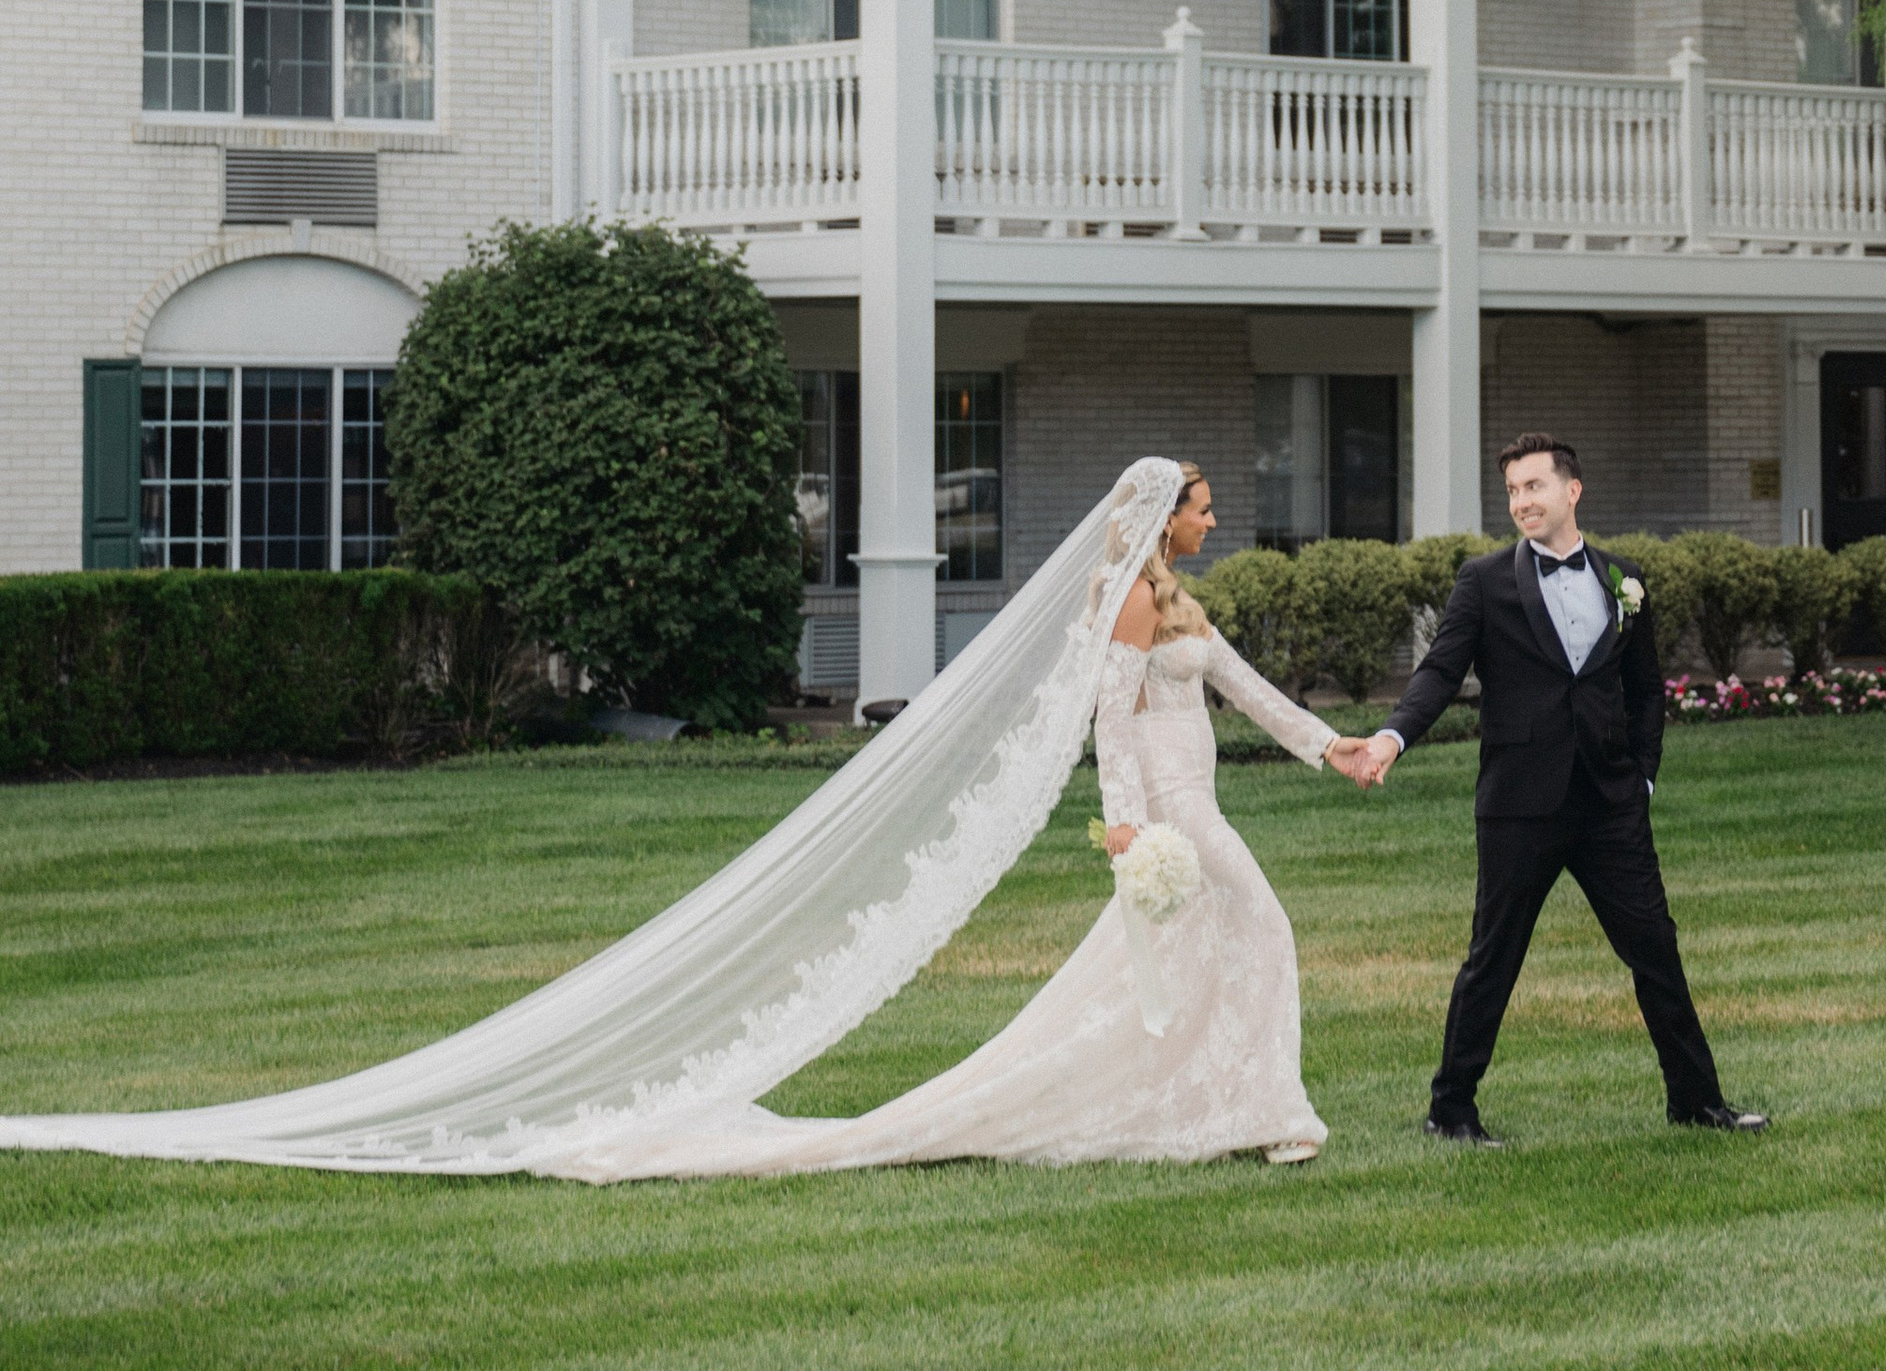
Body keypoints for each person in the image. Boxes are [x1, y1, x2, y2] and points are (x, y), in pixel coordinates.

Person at [0, 457, 1372, 1181]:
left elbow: (1243, 688)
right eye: (1199, 502)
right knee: (1249, 927)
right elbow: (1107, 731)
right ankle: (1245, 1102)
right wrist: (1132, 832)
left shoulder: (1188, 601)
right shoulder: (1127, 605)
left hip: (1197, 803)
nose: (1210, 515)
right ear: (1157, 518)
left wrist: (1338, 749)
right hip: (1170, 817)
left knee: (1214, 953)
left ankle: (1224, 1100)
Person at [1337, 431, 1764, 1145]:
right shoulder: (1484, 580)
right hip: (1519, 803)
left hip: (1610, 803)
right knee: (1494, 955)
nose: (1521, 501)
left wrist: (1644, 779)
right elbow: (1441, 672)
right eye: (1511, 490)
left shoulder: (1625, 578)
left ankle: (1697, 1101)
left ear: (1572, 489)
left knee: (1656, 946)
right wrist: (1391, 737)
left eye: (1533, 485)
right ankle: (1451, 1109)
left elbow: (1644, 690)